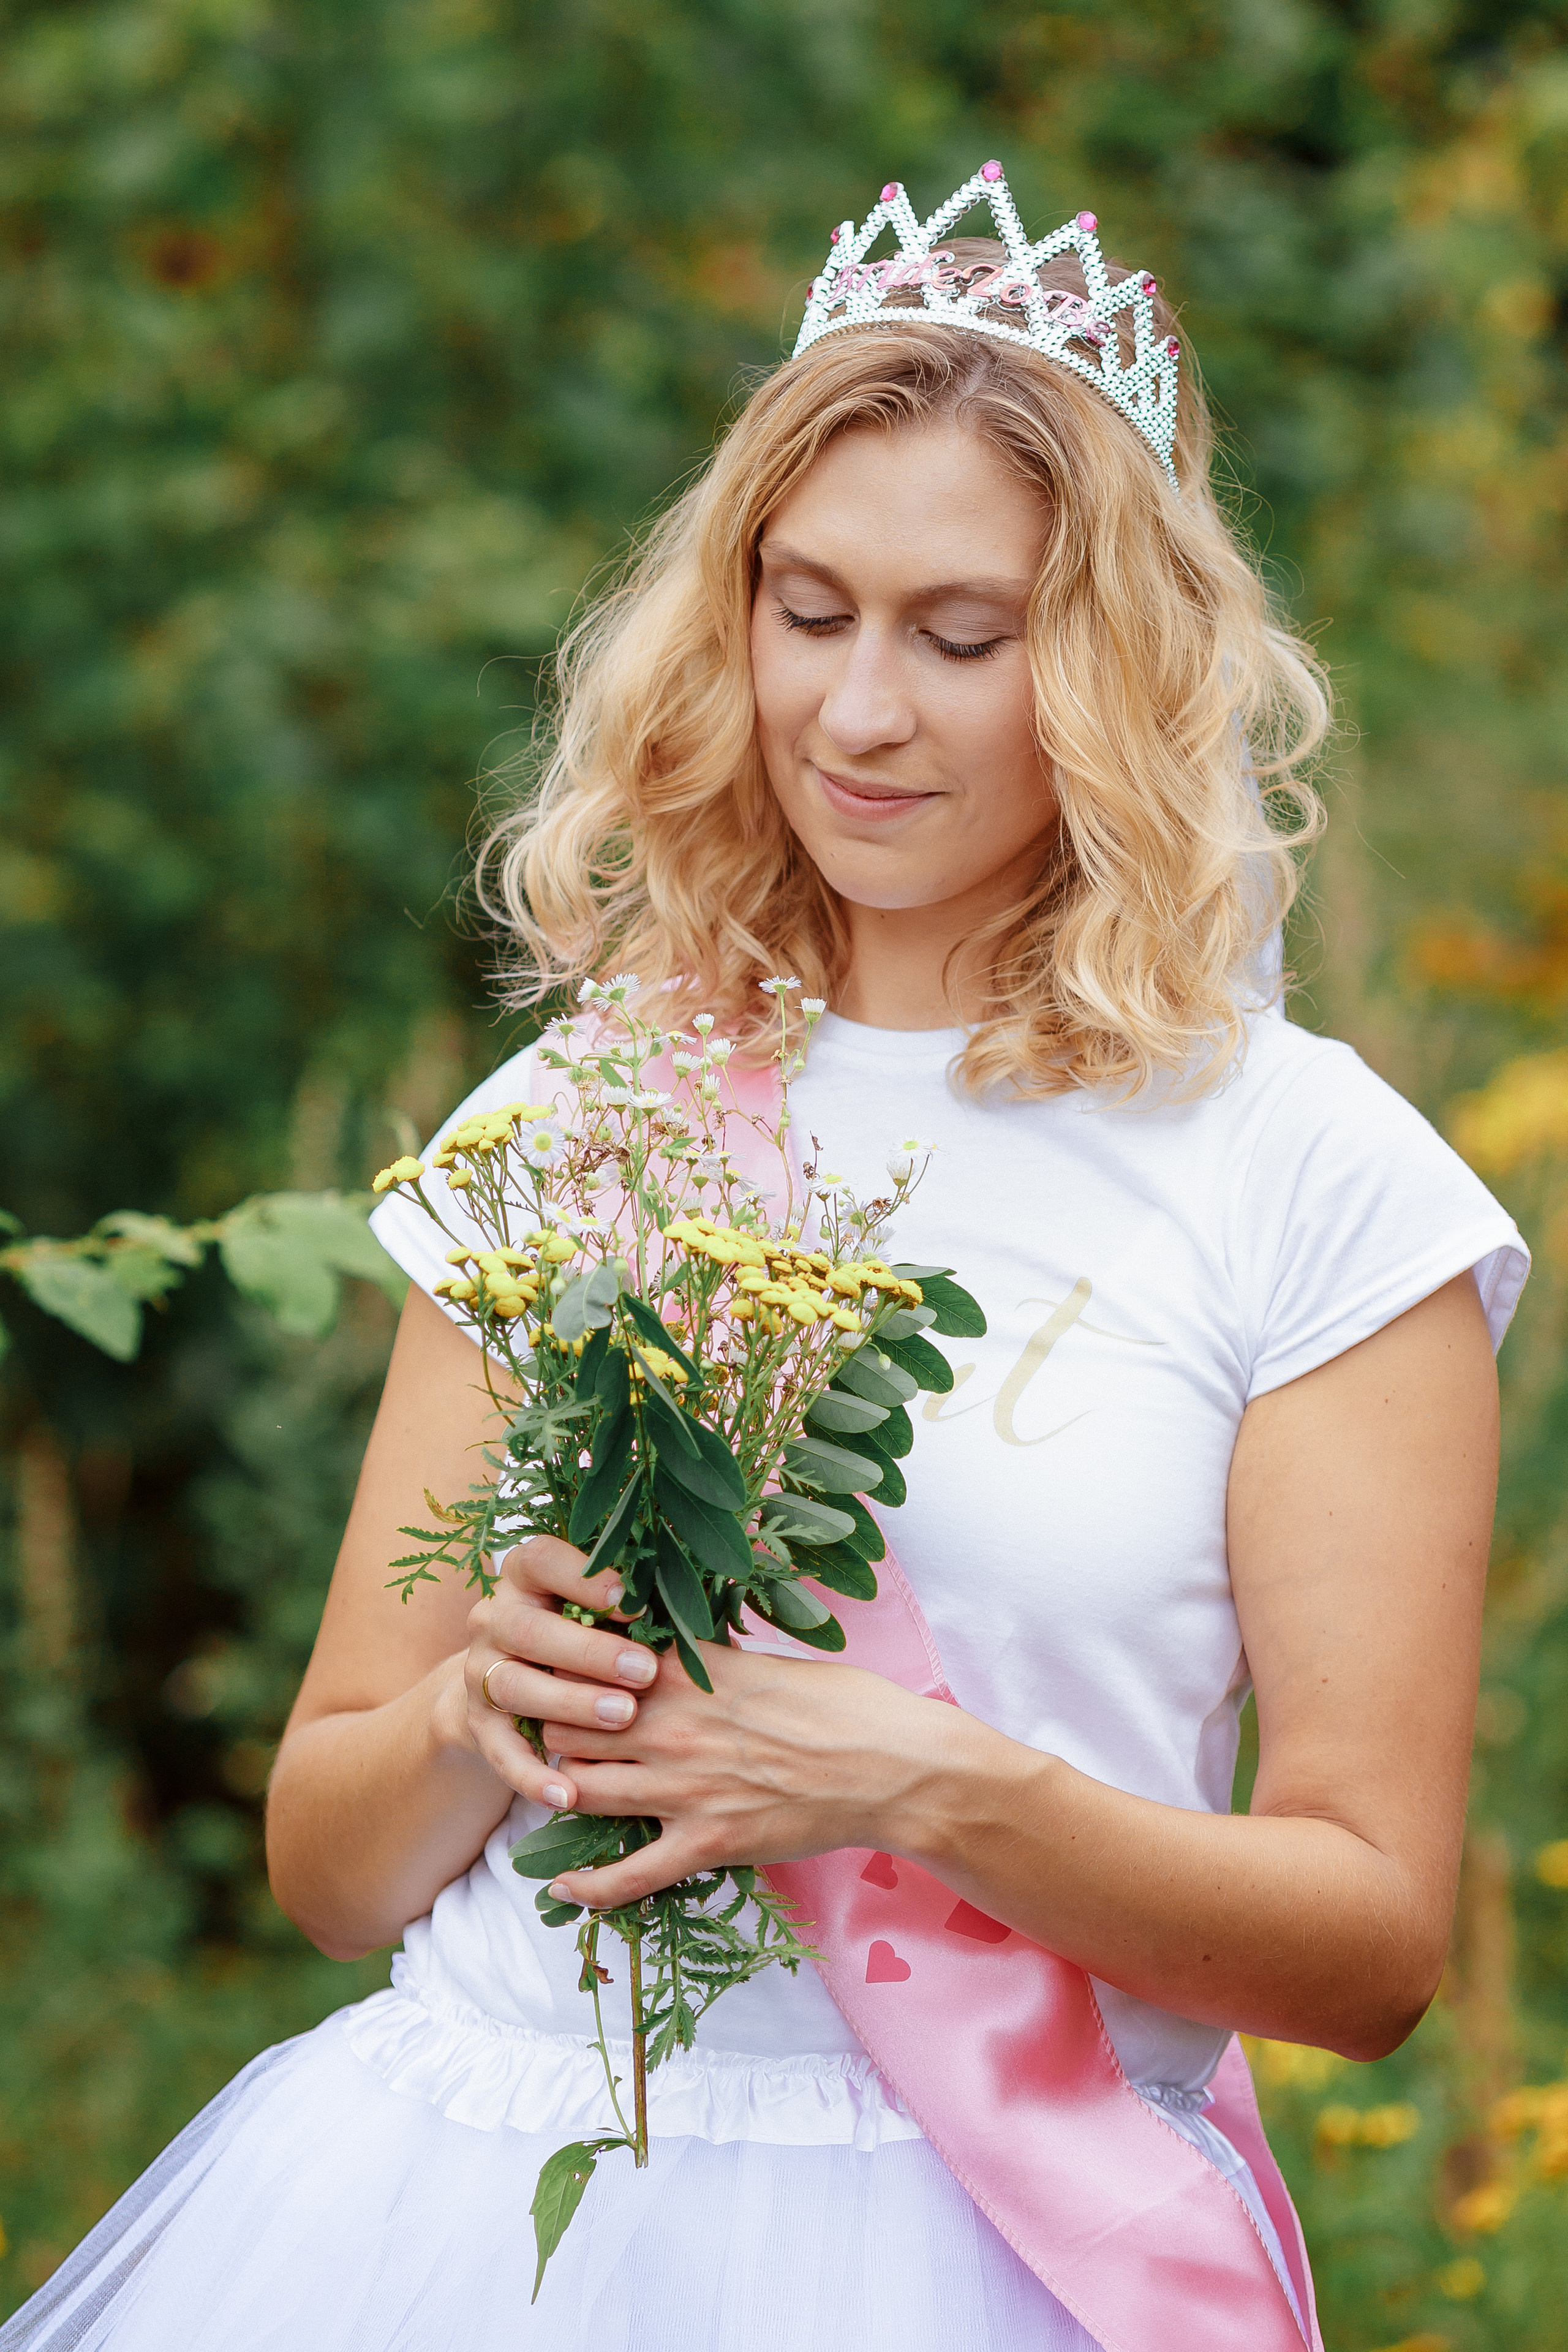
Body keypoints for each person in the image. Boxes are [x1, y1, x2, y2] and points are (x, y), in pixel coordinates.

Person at [3, 162, 1527, 2352]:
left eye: (962, 635)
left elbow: (1371, 1945)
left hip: (987, 2242)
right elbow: (332, 1864)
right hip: (457, 2217)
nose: (860, 713)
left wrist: (917, 1780)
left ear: (1115, 662)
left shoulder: (1311, 1180)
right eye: (805, 613)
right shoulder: (582, 1115)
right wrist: (477, 1709)